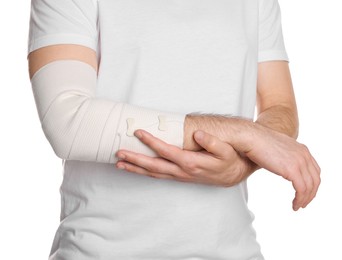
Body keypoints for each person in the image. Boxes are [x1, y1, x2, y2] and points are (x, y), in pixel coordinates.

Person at [28, 0, 320, 259]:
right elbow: (68, 121)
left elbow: (278, 104)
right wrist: (243, 134)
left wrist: (242, 165)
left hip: (234, 248)